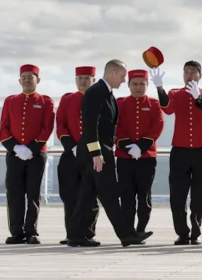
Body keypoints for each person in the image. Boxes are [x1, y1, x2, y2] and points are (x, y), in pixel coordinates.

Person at [67, 59, 152, 247]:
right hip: (96, 153)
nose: (124, 80)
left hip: (99, 151)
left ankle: (75, 235)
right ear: (112, 73)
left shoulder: (107, 93)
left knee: (87, 195)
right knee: (109, 193)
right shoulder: (96, 92)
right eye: (122, 76)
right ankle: (126, 235)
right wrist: (96, 152)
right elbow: (90, 124)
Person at [149, 61, 202, 245]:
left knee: (198, 194)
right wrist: (160, 88)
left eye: (193, 72)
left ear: (199, 76)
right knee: (177, 194)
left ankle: (195, 231)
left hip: (201, 151)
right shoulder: (175, 93)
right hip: (180, 150)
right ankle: (182, 232)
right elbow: (167, 108)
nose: (189, 75)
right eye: (186, 72)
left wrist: (198, 96)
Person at [1, 64, 54, 244]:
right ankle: (16, 231)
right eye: (23, 77)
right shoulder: (10, 101)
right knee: (14, 193)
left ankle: (31, 231)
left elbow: (47, 128)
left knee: (32, 193)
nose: (26, 80)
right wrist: (16, 147)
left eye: (30, 77)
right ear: (19, 80)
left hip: (36, 154)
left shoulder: (46, 101)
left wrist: (31, 148)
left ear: (37, 80)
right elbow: (3, 127)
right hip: (14, 153)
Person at [115, 69, 164, 236]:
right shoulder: (119, 103)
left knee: (144, 195)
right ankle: (128, 230)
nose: (138, 87)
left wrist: (141, 146)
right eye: (134, 84)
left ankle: (141, 229)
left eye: (142, 84)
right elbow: (116, 126)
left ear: (147, 85)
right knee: (126, 194)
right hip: (124, 157)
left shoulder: (154, 104)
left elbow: (157, 126)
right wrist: (128, 146)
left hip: (146, 157)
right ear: (128, 85)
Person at [55, 66, 100, 245]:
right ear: (75, 80)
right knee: (70, 194)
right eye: (80, 78)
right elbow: (61, 123)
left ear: (93, 80)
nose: (83, 81)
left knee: (91, 196)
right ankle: (71, 233)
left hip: (92, 154)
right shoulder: (68, 99)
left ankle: (88, 233)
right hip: (71, 154)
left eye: (87, 78)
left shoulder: (100, 98)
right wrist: (70, 145)